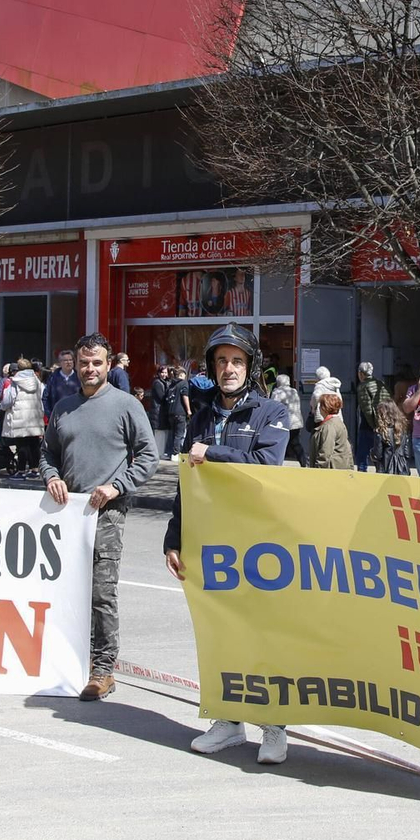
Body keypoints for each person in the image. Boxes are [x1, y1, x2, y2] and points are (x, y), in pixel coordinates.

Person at [165, 323, 295, 759]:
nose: (228, 369)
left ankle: (275, 727)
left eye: (237, 361)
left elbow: (266, 462)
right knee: (220, 632)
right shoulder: (200, 417)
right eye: (221, 361)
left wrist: (212, 453)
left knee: (264, 634)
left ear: (250, 365)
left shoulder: (270, 412)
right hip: (211, 541)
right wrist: (175, 536)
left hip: (260, 543)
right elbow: (187, 480)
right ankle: (228, 720)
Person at [40, 333, 160, 701]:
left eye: (97, 363)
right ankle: (67, 658)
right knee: (63, 590)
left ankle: (102, 669)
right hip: (67, 515)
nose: (89, 369)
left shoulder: (126, 405)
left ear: (109, 365)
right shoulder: (64, 407)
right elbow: (47, 454)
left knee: (100, 593)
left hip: (106, 512)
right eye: (83, 363)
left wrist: (117, 486)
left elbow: (149, 456)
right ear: (74, 365)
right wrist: (52, 477)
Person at [0, 357, 46, 472]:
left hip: (20, 419)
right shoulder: (37, 381)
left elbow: (7, 401)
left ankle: (21, 470)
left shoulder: (15, 382)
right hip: (34, 417)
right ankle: (34, 469)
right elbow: (42, 397)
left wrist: (2, 408)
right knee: (34, 444)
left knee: (22, 445)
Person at [270, 373, 310, 466]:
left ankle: (277, 463)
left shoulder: (278, 393)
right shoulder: (294, 391)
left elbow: (273, 407)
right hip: (296, 422)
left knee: (279, 443)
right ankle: (304, 463)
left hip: (283, 423)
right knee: (296, 444)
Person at [353, 362, 386, 470]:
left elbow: (367, 410)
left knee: (362, 457)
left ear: (361, 374)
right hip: (382, 425)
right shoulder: (380, 383)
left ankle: (361, 483)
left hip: (368, 426)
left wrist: (373, 426)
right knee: (379, 455)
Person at [377, 375, 413, 475]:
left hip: (385, 468)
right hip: (402, 468)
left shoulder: (381, 432)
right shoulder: (403, 429)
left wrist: (372, 455)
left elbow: (378, 454)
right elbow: (407, 453)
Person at [311, 391, 353, 469]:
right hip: (339, 468)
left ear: (324, 408)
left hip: (331, 469)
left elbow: (325, 452)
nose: (319, 409)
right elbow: (348, 448)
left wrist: (317, 471)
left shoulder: (329, 426)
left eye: (320, 406)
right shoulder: (339, 422)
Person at [42, 349, 77, 418]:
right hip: (58, 416)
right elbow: (45, 397)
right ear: (60, 363)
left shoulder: (79, 377)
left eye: (70, 360)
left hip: (75, 416)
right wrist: (50, 415)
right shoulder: (53, 378)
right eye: (65, 360)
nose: (69, 362)